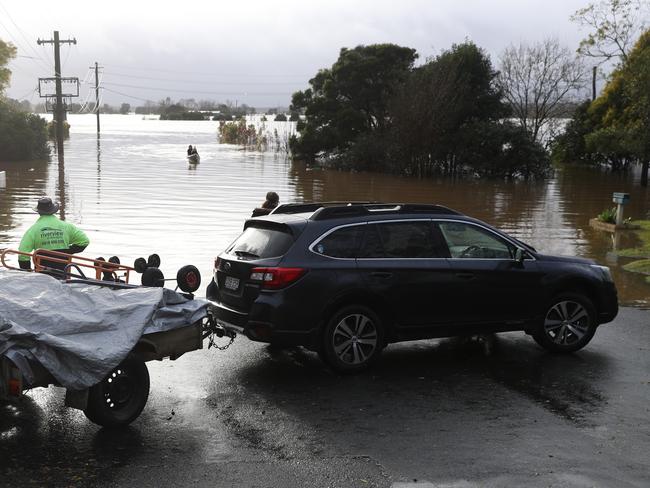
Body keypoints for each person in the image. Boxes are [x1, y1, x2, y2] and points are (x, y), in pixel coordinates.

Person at [18, 197, 90, 271]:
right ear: (53, 211)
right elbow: (84, 241)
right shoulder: (67, 227)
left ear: (39, 212)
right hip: (64, 273)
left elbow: (23, 254)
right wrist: (67, 252)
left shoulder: (33, 230)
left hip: (41, 276)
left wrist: (27, 273)